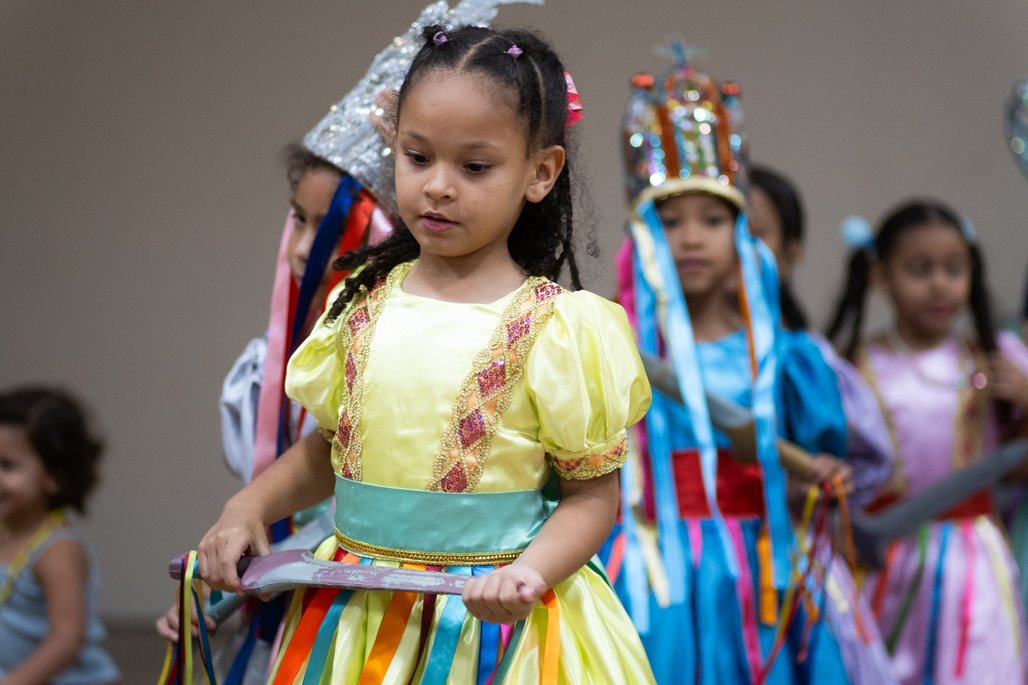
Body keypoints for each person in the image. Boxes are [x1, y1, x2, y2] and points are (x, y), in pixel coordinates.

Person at [196, 22, 656, 684]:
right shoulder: (359, 304)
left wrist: (530, 572)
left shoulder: (557, 326)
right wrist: (246, 508)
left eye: (474, 166)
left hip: (492, 626)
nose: (438, 186)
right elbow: (332, 449)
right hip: (355, 620)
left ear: (540, 172)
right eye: (417, 158)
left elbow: (592, 494)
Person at [606, 44, 854, 684]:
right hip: (654, 565)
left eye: (712, 219)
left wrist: (815, 477)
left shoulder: (789, 361)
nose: (690, 237)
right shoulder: (610, 346)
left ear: (742, 235)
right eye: (670, 220)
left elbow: (804, 465)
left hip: (762, 561)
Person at [826, 199, 1028, 685]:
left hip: (972, 559)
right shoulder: (852, 366)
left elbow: (1017, 467)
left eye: (954, 269)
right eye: (920, 270)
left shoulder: (996, 356)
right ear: (880, 276)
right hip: (885, 557)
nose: (939, 283)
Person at [0, 386, 120, 685]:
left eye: (7, 466)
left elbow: (66, 640)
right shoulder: (5, 531)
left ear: (55, 476)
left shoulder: (57, 550)